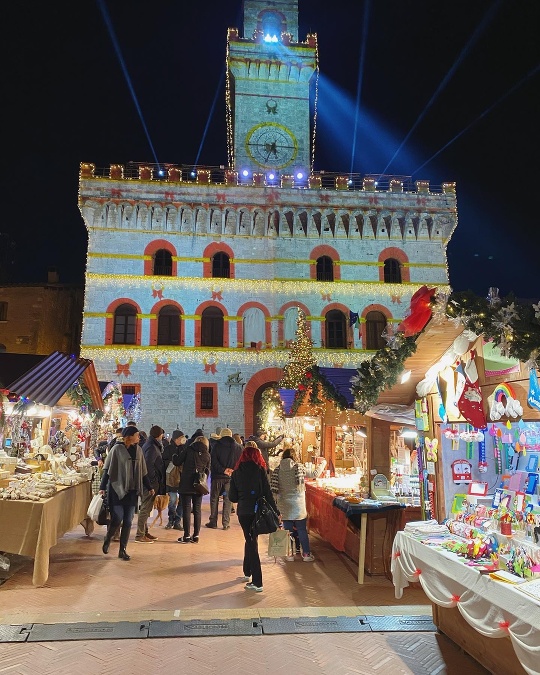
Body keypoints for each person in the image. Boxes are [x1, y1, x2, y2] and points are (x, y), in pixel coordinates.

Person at [228, 443, 280, 593]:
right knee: (251, 540)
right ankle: (247, 571)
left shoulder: (236, 473)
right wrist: (276, 512)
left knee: (251, 542)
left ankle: (257, 582)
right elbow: (268, 493)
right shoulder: (260, 470)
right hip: (258, 511)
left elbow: (233, 497)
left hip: (244, 512)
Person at [99, 426, 152, 560]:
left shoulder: (139, 450)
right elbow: (107, 469)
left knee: (128, 521)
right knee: (117, 518)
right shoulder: (117, 449)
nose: (139, 438)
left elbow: (143, 471)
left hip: (132, 491)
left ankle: (122, 550)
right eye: (137, 435)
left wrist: (149, 487)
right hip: (117, 489)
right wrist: (102, 487)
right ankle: (108, 537)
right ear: (130, 436)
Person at [270, 448, 315, 562]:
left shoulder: (277, 470)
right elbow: (314, 474)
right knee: (301, 530)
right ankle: (306, 555)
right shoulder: (298, 468)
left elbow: (274, 488)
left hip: (284, 504)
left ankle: (290, 554)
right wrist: (323, 463)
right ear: (294, 457)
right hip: (298, 505)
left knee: (288, 531)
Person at [174, 435, 210, 543]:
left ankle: (186, 535)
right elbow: (207, 471)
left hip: (186, 483)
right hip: (199, 485)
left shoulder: (189, 450)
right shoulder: (207, 454)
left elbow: (177, 462)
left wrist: (175, 455)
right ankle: (196, 535)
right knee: (197, 509)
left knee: (186, 509)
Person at [205, 428, 242, 530]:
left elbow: (213, 461)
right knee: (228, 499)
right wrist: (232, 470)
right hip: (230, 477)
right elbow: (240, 462)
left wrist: (223, 470)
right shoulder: (239, 447)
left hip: (217, 476)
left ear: (221, 435)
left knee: (214, 498)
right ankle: (226, 523)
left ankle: (213, 521)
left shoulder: (216, 446)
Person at [136, 425, 165, 543]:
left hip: (150, 482)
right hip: (149, 483)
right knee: (145, 508)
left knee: (147, 508)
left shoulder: (152, 445)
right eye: (162, 435)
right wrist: (151, 483)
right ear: (158, 435)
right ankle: (139, 535)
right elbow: (148, 466)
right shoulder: (152, 447)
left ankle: (144, 531)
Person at [162, 430, 186, 530]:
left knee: (182, 501)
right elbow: (164, 461)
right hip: (171, 479)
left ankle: (178, 520)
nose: (183, 439)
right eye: (181, 437)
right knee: (172, 501)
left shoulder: (185, 448)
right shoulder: (168, 448)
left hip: (182, 478)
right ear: (177, 438)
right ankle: (171, 519)